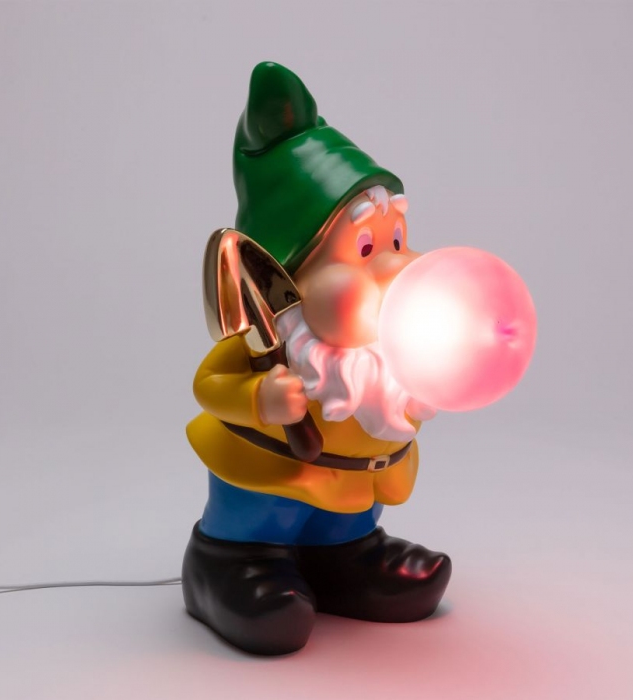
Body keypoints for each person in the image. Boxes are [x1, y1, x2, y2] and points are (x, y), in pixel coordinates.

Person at [182, 62, 451, 655]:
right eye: (365, 249)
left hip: (354, 486)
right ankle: (228, 564)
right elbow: (209, 385)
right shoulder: (264, 342)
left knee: (350, 513)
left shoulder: (384, 348)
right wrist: (260, 397)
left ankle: (346, 557)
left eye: (398, 241)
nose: (398, 265)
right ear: (289, 274)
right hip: (265, 481)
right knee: (263, 511)